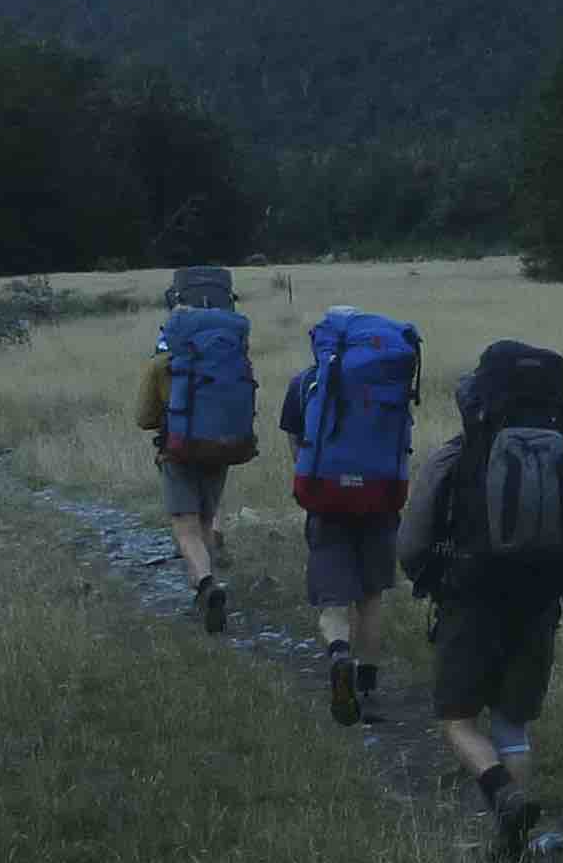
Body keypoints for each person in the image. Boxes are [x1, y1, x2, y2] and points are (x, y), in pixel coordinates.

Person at [399, 339, 563, 863]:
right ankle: (516, 845)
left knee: (457, 718)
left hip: (472, 598)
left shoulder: (457, 455)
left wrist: (422, 575)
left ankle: (502, 793)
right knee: (512, 721)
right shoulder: (559, 451)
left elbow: (414, 537)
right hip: (541, 598)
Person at [281, 304, 422, 725]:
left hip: (326, 500)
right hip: (381, 500)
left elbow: (295, 439)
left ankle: (339, 654)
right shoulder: (388, 386)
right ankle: (368, 689)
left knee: (332, 598)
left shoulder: (306, 383)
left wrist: (313, 479)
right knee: (371, 597)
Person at [136, 266, 260, 633]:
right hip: (222, 448)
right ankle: (204, 587)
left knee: (185, 526)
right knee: (206, 520)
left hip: (178, 452)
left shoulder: (163, 363)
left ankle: (206, 584)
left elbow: (144, 418)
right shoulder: (231, 356)